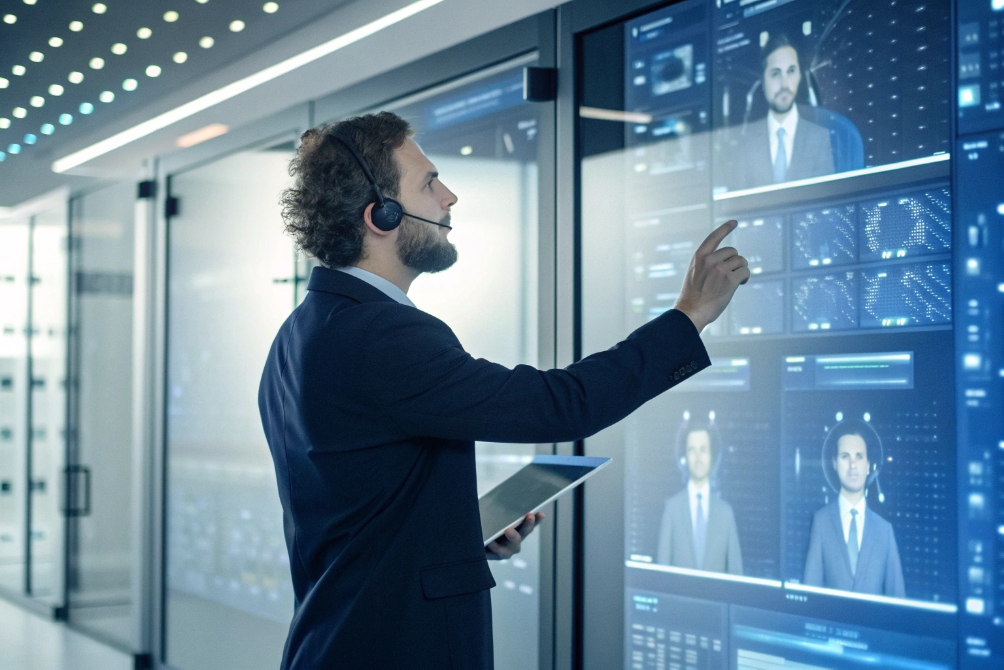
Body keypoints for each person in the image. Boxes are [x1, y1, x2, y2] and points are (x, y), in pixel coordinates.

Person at [258, 111, 749, 669]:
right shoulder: (383, 335)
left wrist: (458, 534)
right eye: (429, 182)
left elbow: (358, 513)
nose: (450, 197)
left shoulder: (300, 332)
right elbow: (560, 405)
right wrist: (690, 316)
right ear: (382, 215)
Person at [802, 425, 905, 597]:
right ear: (834, 463)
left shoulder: (884, 530)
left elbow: (898, 602)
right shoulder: (820, 522)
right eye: (845, 456)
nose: (852, 465)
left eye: (859, 457)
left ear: (867, 465)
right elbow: (809, 596)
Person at [731, 33, 835, 190]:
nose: (784, 83)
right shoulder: (745, 144)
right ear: (763, 81)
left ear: (800, 75)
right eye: (775, 73)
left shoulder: (819, 137)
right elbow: (737, 209)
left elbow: (828, 206)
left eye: (791, 71)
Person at [656, 423, 742, 574]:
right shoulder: (672, 509)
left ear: (712, 455)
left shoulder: (726, 513)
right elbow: (661, 573)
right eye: (692, 450)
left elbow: (736, 574)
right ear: (685, 456)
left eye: (703, 450)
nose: (698, 457)